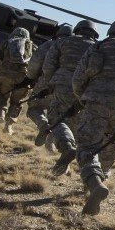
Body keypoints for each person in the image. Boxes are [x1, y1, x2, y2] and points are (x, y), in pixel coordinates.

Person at [63, 19, 115, 215]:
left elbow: (79, 77)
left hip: (97, 102)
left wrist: (82, 98)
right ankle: (99, 180)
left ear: (112, 32)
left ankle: (94, 183)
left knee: (87, 146)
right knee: (110, 145)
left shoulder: (100, 46)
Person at [45, 20, 100, 176]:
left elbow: (49, 65)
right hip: (85, 91)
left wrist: (50, 82)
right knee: (76, 126)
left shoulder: (63, 42)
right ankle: (78, 170)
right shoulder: (97, 47)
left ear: (77, 29)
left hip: (62, 84)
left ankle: (67, 148)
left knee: (56, 119)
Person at [26, 23, 72, 148]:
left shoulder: (49, 45)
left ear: (57, 34)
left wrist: (30, 78)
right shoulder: (76, 47)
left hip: (46, 84)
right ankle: (52, 143)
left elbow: (34, 65)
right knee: (59, 117)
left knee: (34, 108)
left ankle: (43, 125)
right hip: (69, 89)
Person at [0, 26, 34, 133]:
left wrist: (1, 70)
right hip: (23, 78)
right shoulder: (32, 46)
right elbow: (36, 64)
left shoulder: (5, 43)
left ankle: (1, 113)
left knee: (0, 95)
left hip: (5, 75)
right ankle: (8, 127)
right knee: (17, 102)